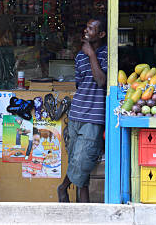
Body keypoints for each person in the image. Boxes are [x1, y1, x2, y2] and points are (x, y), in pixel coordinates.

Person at [58, 17, 107, 203]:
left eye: (91, 29)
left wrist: (92, 55)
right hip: (77, 112)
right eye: (86, 27)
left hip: (94, 117)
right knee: (76, 162)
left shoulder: (106, 54)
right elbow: (81, 84)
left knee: (82, 161)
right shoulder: (79, 56)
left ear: (101, 34)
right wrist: (86, 54)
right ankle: (83, 208)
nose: (86, 31)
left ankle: (63, 188)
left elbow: (101, 81)